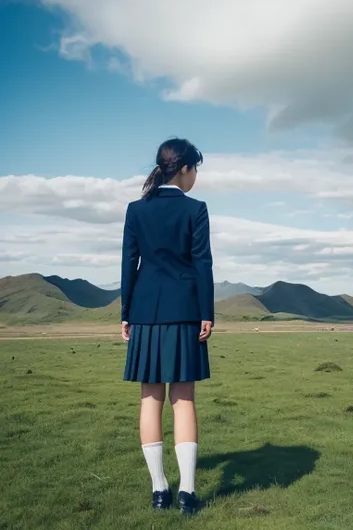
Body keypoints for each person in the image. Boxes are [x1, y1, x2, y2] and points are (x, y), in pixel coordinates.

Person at [120, 137, 214, 516]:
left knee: (150, 399)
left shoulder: (135, 210)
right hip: (186, 312)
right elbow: (202, 264)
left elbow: (129, 264)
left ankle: (160, 490)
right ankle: (187, 493)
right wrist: (207, 312)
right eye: (197, 171)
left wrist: (125, 312)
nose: (196, 179)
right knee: (184, 399)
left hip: (145, 313)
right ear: (186, 168)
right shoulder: (196, 209)